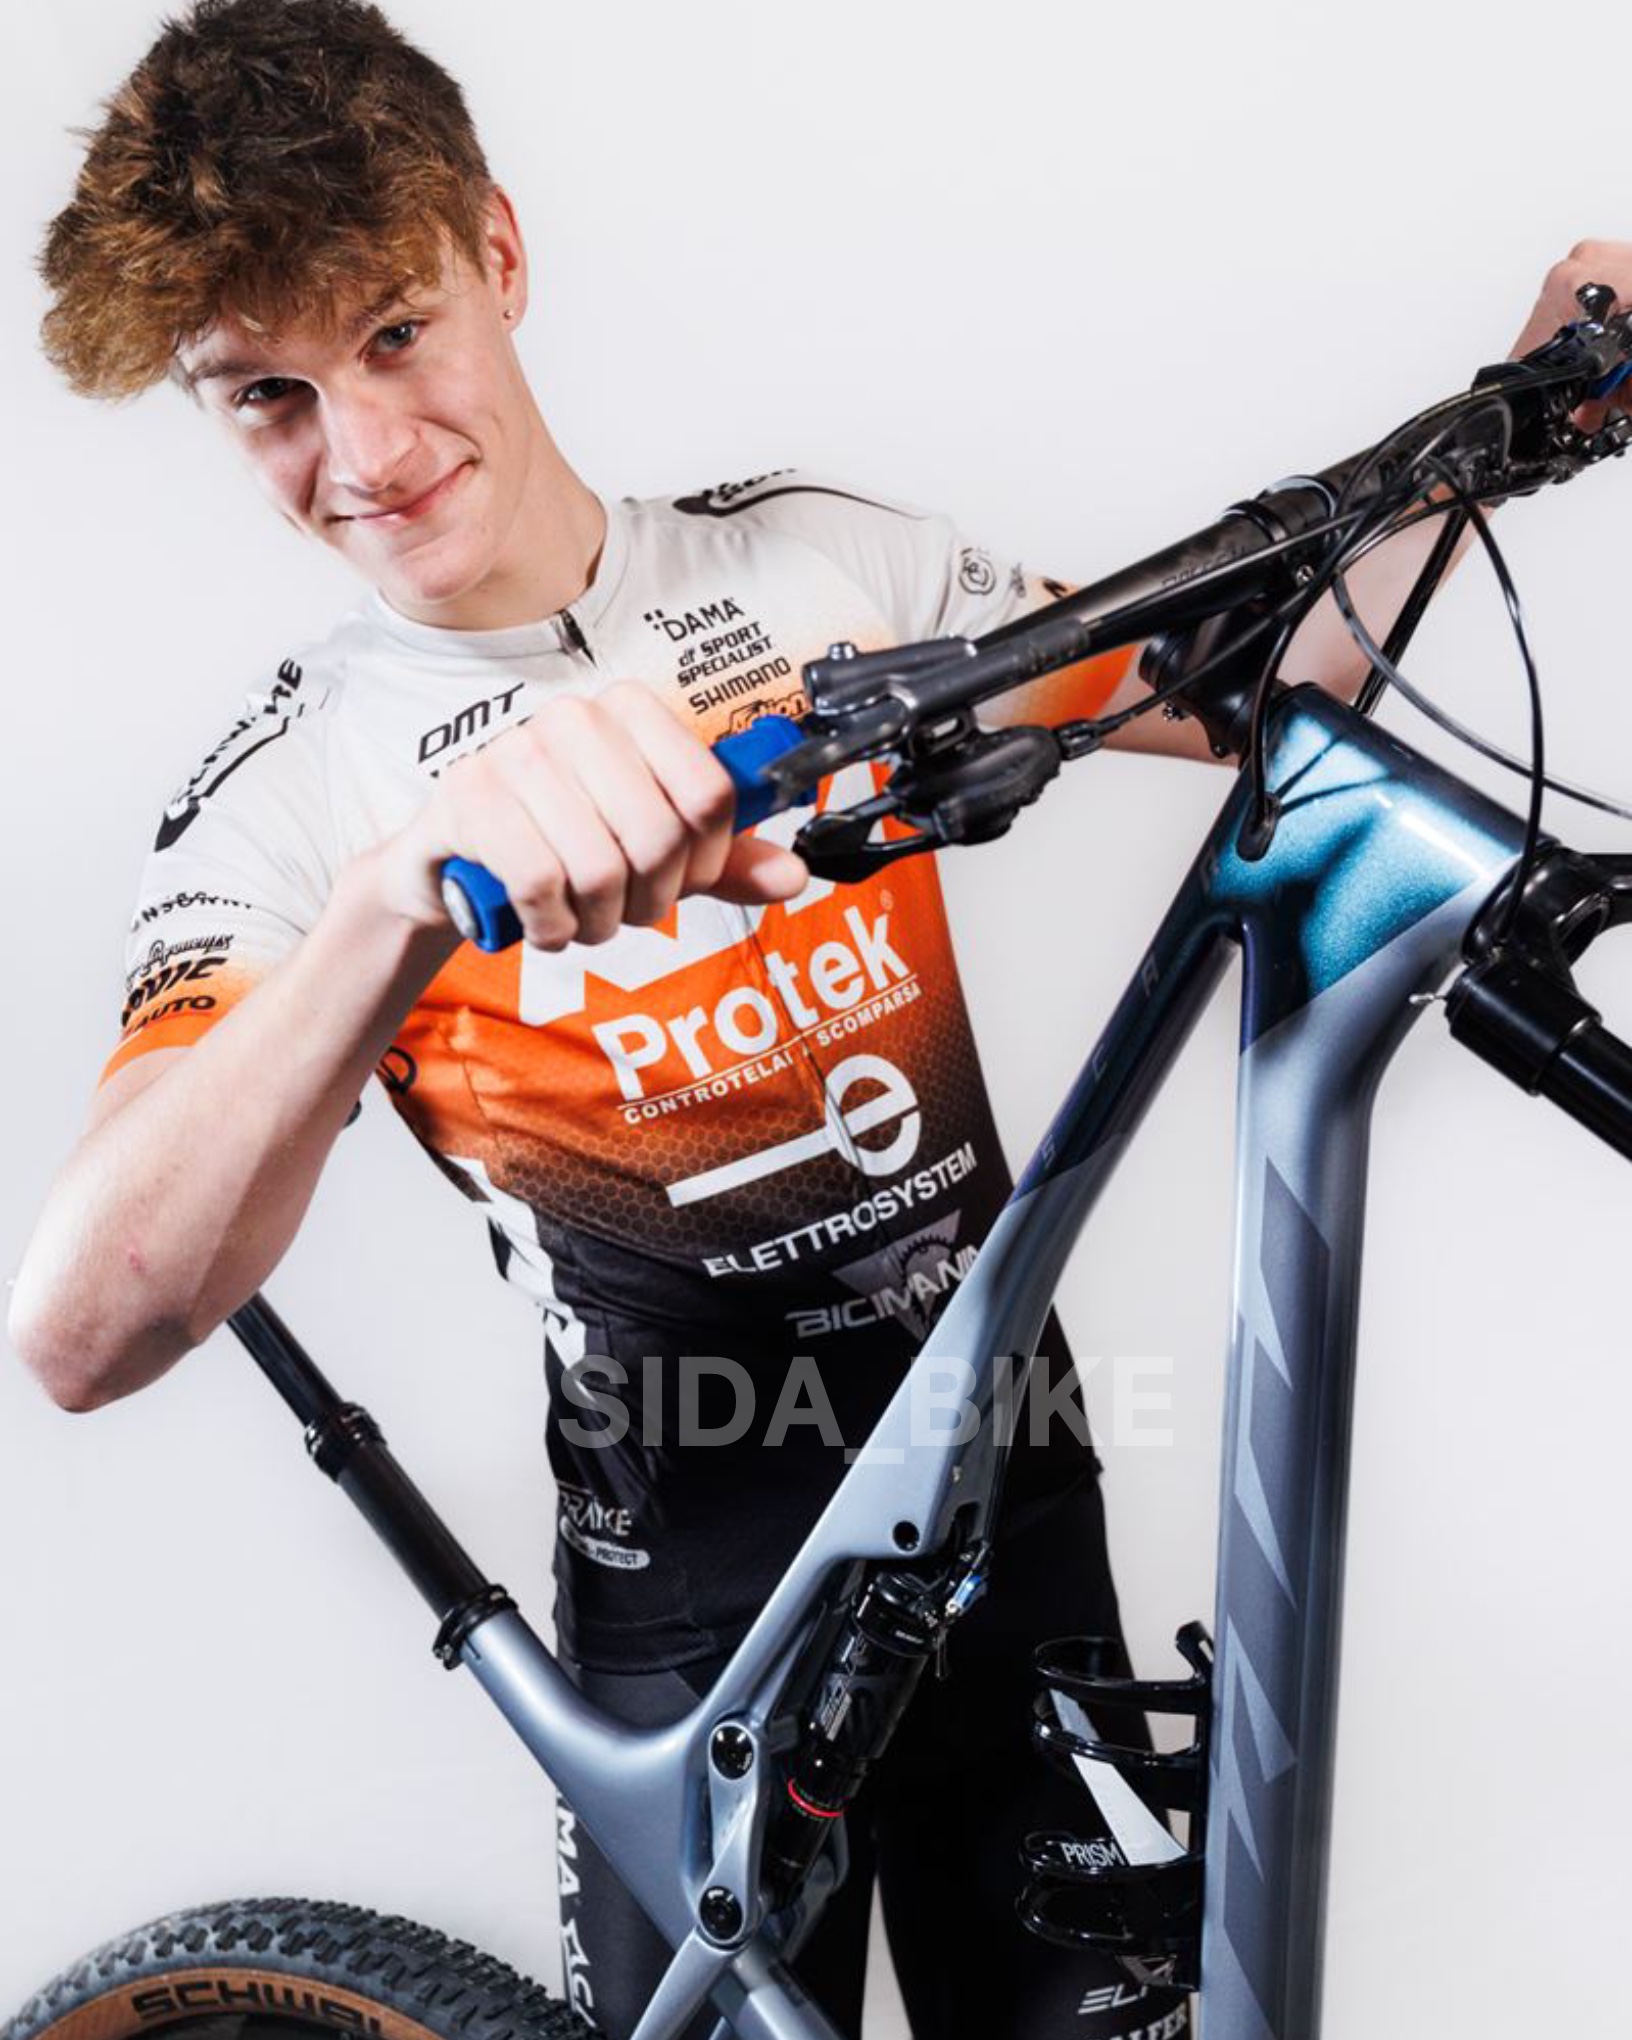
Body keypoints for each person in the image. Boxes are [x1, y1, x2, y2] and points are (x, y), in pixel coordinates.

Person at [11, 3, 1628, 2035]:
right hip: (699, 1595)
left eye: (395, 333)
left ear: (497, 252)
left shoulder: (818, 563)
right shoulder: (294, 797)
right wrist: (388, 911)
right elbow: (82, 1324)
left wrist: (1529, 394)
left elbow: (1262, 684)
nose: (370, 455)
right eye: (269, 396)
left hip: (1012, 1509)